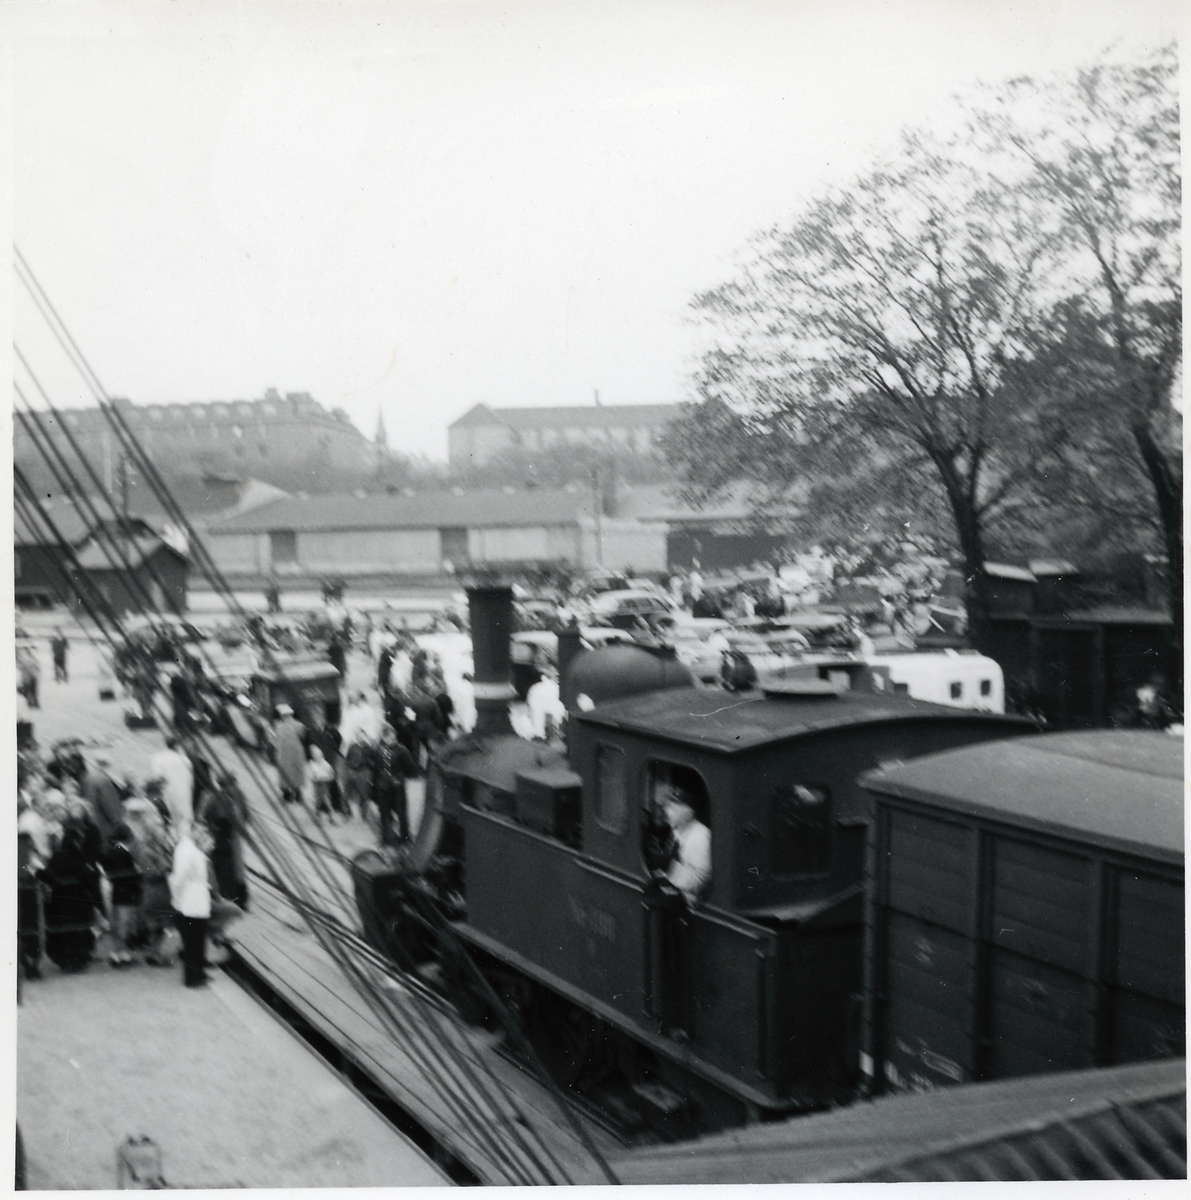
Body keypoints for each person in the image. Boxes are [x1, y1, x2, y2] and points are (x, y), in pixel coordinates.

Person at [196, 770, 250, 909]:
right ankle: (227, 895)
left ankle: (240, 896)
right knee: (223, 867)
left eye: (232, 785)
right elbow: (203, 818)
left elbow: (245, 814)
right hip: (219, 837)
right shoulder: (212, 797)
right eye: (228, 786)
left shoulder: (238, 795)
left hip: (234, 834)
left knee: (236, 866)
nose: (231, 788)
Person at [170, 822, 214, 987]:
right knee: (193, 941)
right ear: (192, 831)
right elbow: (179, 877)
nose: (203, 835)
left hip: (197, 898)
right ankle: (192, 977)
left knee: (199, 938)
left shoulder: (192, 848)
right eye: (200, 832)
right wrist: (176, 898)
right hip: (191, 899)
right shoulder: (186, 850)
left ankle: (199, 972)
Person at [100, 823, 142, 967]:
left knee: (117, 923)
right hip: (126, 892)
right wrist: (137, 874)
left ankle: (118, 952)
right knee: (124, 924)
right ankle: (120, 953)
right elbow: (129, 873)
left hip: (116, 891)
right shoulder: (123, 853)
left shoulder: (111, 851)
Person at [373, 724, 417, 846]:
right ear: (383, 737)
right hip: (383, 787)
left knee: (401, 813)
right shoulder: (379, 750)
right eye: (386, 737)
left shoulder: (402, 750)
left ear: (395, 736)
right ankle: (386, 839)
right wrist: (377, 785)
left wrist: (400, 777)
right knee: (384, 814)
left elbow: (412, 769)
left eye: (392, 736)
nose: (390, 739)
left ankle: (405, 838)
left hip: (397, 787)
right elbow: (377, 768)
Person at [149, 737, 194, 832]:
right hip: (184, 793)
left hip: (169, 792)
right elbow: (190, 781)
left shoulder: (158, 758)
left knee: (171, 821)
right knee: (185, 820)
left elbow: (158, 778)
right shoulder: (185, 760)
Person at [272, 703, 308, 804]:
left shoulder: (279, 726)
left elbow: (274, 739)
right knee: (293, 772)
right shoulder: (298, 725)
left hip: (287, 753)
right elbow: (303, 737)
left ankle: (291, 795)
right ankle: (294, 794)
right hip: (292, 752)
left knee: (289, 773)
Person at [307, 745, 336, 822]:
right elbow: (309, 774)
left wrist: (326, 778)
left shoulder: (325, 764)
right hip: (316, 783)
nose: (317, 756)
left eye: (318, 755)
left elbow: (332, 774)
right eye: (315, 755)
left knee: (326, 800)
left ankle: (331, 816)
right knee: (317, 800)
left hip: (324, 783)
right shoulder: (312, 764)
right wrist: (313, 778)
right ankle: (317, 816)